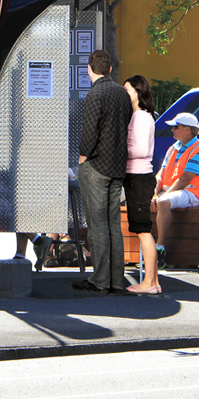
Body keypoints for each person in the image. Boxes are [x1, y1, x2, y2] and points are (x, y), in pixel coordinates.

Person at [72, 50, 133, 294]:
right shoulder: (121, 93)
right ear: (109, 69)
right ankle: (116, 280)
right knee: (113, 224)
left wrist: (82, 158)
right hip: (117, 166)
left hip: (96, 165)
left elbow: (90, 131)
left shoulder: (94, 93)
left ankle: (99, 280)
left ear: (89, 69)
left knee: (97, 225)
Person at [152, 112, 199, 268]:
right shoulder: (173, 148)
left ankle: (159, 250)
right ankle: (143, 252)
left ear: (188, 130)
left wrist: (162, 196)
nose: (172, 130)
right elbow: (161, 174)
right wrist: (153, 194)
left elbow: (184, 180)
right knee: (142, 201)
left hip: (192, 193)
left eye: (176, 127)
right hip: (174, 191)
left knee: (164, 202)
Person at [121, 75, 160, 295]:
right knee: (142, 230)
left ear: (138, 91)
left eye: (127, 89)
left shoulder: (142, 117)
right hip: (137, 177)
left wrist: (120, 150)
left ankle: (149, 283)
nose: (124, 93)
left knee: (143, 231)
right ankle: (152, 282)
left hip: (139, 178)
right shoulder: (137, 116)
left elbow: (142, 150)